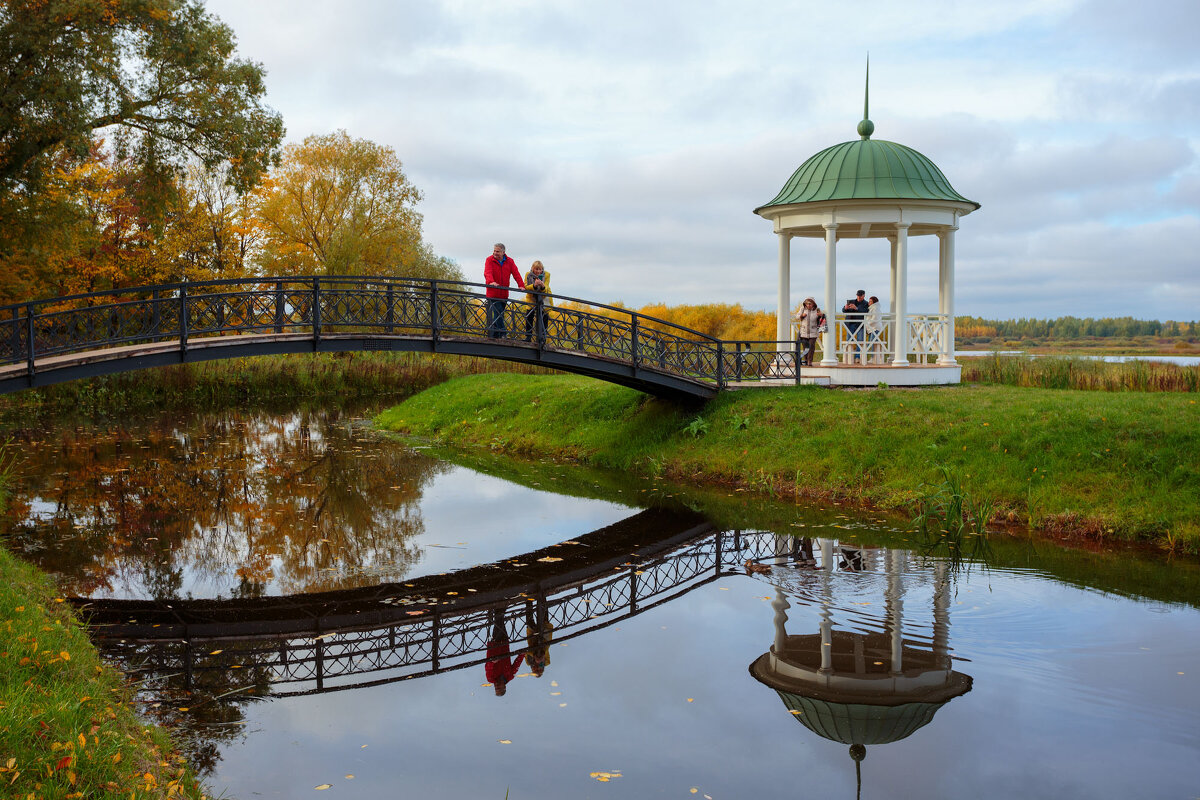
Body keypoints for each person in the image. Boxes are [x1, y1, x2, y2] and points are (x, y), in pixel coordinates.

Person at [484, 243, 524, 339]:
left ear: (503, 252)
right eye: (494, 250)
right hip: (492, 293)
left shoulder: (510, 261)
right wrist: (491, 282)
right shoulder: (489, 260)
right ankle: (503, 333)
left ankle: (494, 336)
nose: (495, 253)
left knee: (499, 314)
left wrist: (521, 285)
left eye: (497, 251)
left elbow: (516, 274)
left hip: (504, 294)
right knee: (498, 312)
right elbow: (487, 273)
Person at [485, 606, 524, 696]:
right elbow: (516, 664)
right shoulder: (509, 676)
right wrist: (523, 654)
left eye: (495, 688)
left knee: (499, 622)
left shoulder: (490, 678)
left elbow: (488, 667)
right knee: (500, 622)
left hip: (494, 645)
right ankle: (499, 607)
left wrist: (492, 662)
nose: (496, 686)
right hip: (504, 644)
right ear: (504, 687)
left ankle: (500, 606)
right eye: (499, 688)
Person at [522, 260, 552, 343]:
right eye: (536, 269)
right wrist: (534, 286)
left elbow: (546, 287)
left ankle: (542, 339)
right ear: (532, 269)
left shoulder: (547, 275)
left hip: (543, 298)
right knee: (529, 316)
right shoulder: (528, 275)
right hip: (532, 298)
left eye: (540, 269)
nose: (538, 271)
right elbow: (526, 287)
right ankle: (528, 337)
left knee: (544, 317)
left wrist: (542, 286)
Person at [793, 297, 823, 367]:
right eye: (807, 304)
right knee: (805, 347)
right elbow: (796, 317)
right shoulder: (802, 309)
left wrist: (820, 316)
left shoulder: (817, 310)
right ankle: (806, 360)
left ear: (813, 304)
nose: (808, 305)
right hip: (804, 332)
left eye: (810, 304)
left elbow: (821, 320)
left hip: (813, 331)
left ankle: (810, 361)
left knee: (811, 346)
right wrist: (801, 315)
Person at [842, 289, 870, 363]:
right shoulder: (851, 301)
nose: (859, 297)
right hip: (850, 324)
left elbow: (866, 312)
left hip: (860, 325)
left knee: (860, 341)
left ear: (864, 296)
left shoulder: (866, 304)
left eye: (860, 296)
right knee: (849, 340)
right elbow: (844, 311)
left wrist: (856, 308)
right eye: (858, 296)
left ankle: (857, 357)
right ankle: (849, 357)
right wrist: (845, 308)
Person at [864, 295, 884, 364]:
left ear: (874, 302)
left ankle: (874, 358)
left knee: (872, 343)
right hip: (872, 328)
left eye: (870, 301)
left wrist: (866, 323)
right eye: (869, 301)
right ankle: (877, 358)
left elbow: (875, 318)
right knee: (872, 343)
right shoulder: (872, 308)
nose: (869, 302)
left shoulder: (875, 308)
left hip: (875, 328)